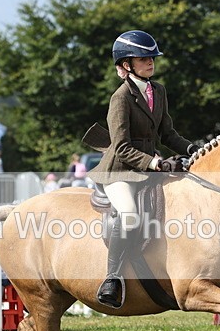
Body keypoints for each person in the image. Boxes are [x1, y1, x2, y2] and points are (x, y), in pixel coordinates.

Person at [86, 30, 200, 309]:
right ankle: (112, 278)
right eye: (143, 58)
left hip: (149, 168)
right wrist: (158, 163)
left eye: (152, 58)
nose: (150, 63)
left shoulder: (158, 91)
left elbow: (168, 133)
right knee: (130, 215)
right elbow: (121, 147)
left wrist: (194, 150)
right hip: (120, 171)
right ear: (126, 65)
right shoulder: (121, 97)